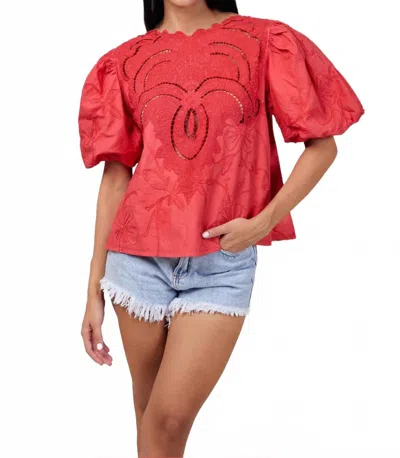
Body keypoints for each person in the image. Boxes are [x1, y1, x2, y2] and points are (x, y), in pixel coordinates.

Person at [77, 0, 364, 455]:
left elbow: (322, 146)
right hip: (135, 262)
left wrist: (263, 222)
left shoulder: (265, 41)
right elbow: (116, 180)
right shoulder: (123, 61)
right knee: (151, 417)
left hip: (222, 265)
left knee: (168, 420)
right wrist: (93, 288)